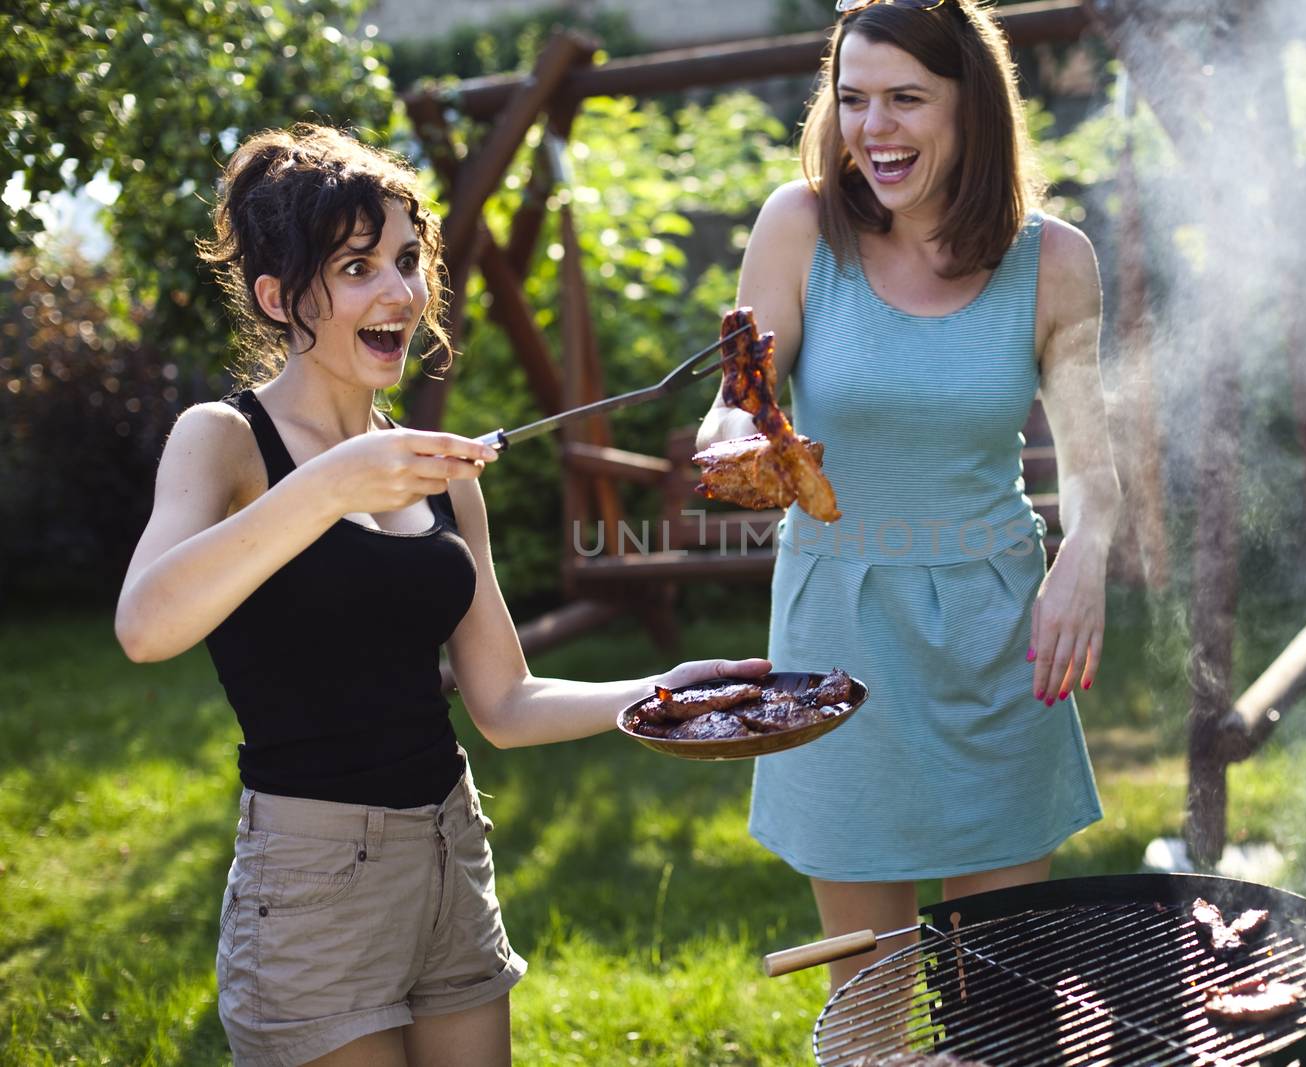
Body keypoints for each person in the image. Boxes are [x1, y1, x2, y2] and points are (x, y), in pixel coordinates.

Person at [115, 124, 767, 1067]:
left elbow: (503, 701)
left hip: (451, 852)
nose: (398, 292)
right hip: (311, 885)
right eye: (355, 267)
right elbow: (145, 626)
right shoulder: (224, 441)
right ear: (277, 296)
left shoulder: (441, 474)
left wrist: (663, 689)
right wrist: (333, 483)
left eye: (406, 260)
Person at [697, 0, 1121, 992]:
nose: (872, 128)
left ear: (971, 109)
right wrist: (733, 441)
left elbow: (1097, 470)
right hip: (837, 639)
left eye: (904, 99)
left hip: (997, 630)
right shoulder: (796, 226)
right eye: (851, 100)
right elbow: (742, 395)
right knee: (869, 996)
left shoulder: (1054, 260)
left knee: (1001, 994)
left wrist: (1082, 565)